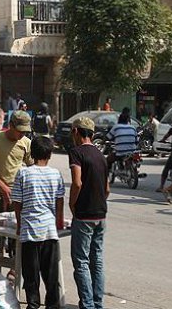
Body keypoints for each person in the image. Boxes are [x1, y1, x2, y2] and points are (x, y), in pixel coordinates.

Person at [12, 136, 65, 309]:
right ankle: (53, 305)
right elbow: (59, 201)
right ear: (49, 154)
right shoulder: (56, 174)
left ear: (31, 154)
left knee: (31, 274)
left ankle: (33, 304)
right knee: (51, 274)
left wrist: (19, 224)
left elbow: (17, 202)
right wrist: (58, 222)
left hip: (29, 230)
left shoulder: (23, 173)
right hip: (49, 231)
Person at [68, 116, 109, 309]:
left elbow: (77, 183)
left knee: (81, 262)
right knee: (97, 260)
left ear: (76, 132)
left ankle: (87, 304)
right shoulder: (101, 155)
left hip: (84, 215)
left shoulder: (76, 153)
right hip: (100, 214)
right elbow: (107, 189)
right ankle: (97, 303)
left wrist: (72, 204)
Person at [0, 110, 32, 211]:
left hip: (18, 194)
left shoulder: (27, 143)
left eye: (25, 132)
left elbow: (32, 168)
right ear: (11, 125)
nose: (22, 134)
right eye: (20, 131)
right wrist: (3, 187)